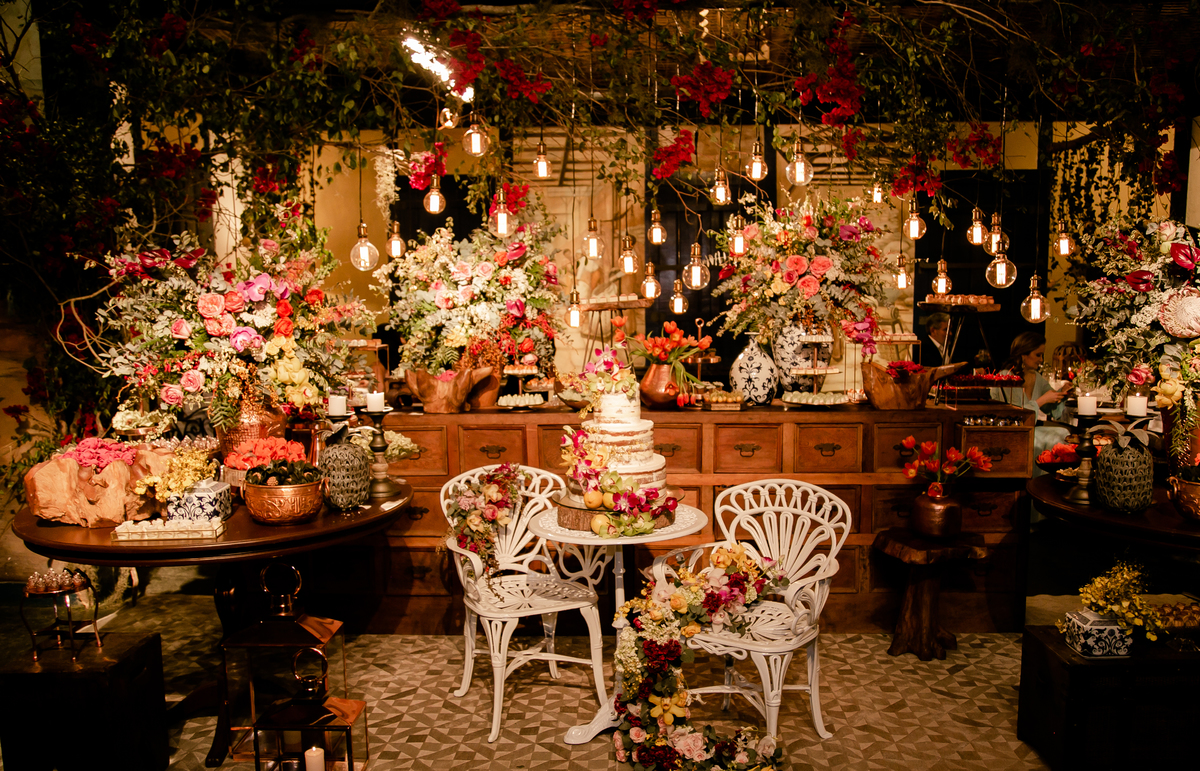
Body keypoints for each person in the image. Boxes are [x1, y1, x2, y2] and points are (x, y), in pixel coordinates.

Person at [992, 332, 1069, 421]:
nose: (1041, 360)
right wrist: (1042, 400)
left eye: (1042, 355)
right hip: (1010, 427)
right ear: (1023, 355)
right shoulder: (1006, 377)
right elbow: (1016, 415)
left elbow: (1052, 408)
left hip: (1030, 427)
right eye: (1038, 355)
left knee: (1063, 429)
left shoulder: (1037, 378)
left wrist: (1062, 393)